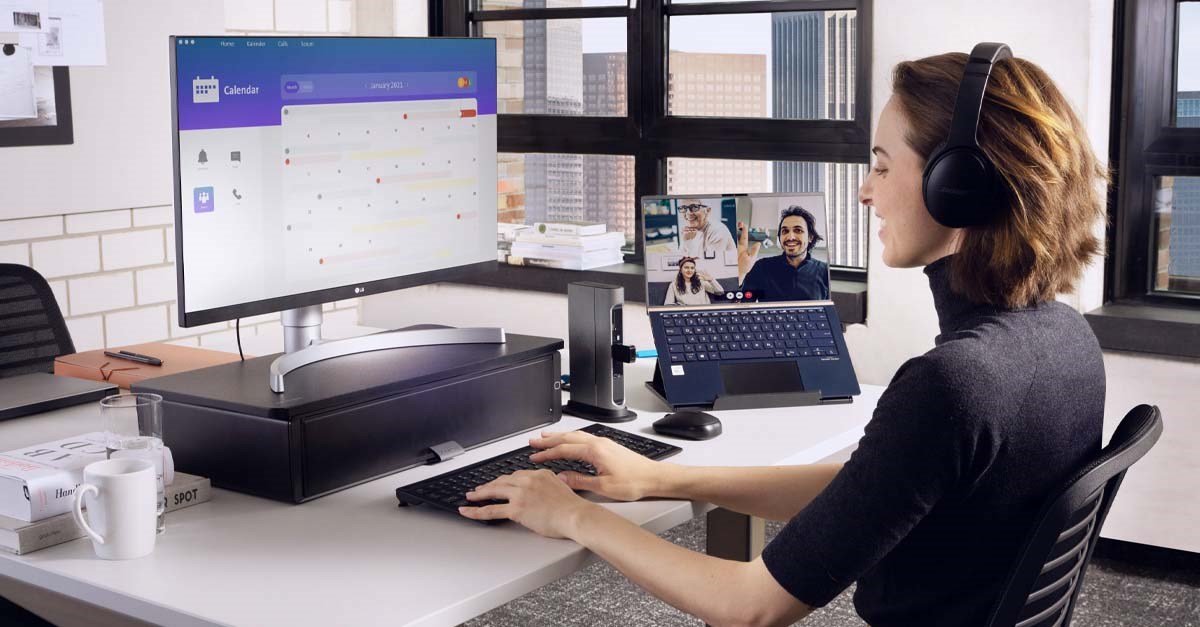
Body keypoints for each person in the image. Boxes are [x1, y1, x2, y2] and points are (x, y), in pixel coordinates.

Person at [460, 48, 1107, 626]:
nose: (864, 191)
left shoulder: (954, 384)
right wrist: (663, 479)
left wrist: (573, 515)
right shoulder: (1067, 341)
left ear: (957, 187)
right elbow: (872, 488)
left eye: (882, 168)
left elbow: (750, 604)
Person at [737, 206, 830, 302]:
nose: (790, 237)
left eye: (798, 230)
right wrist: (740, 274)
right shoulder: (762, 267)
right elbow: (742, 306)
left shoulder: (824, 272)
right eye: (785, 231)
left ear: (810, 237)